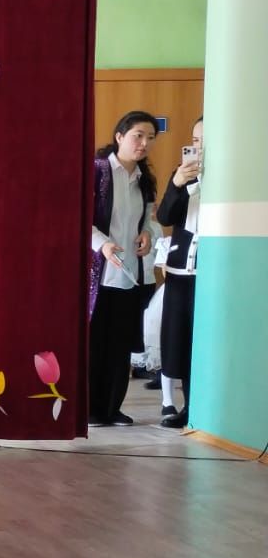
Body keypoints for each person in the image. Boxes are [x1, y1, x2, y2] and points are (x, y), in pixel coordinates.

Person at [87, 110, 157, 427]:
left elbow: (149, 221)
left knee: (120, 345)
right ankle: (89, 408)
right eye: (138, 136)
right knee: (95, 343)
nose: (144, 143)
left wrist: (147, 234)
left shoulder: (144, 180)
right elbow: (79, 217)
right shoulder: (98, 171)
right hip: (99, 272)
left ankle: (112, 407)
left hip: (129, 273)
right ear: (119, 136)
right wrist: (102, 244)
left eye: (150, 138)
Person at [156, 115, 203, 428]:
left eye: (205, 141)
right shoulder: (182, 174)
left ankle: (208, 408)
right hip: (180, 269)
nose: (199, 147)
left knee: (204, 340)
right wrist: (177, 184)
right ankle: (188, 408)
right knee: (181, 339)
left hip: (212, 271)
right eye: (195, 141)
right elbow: (164, 216)